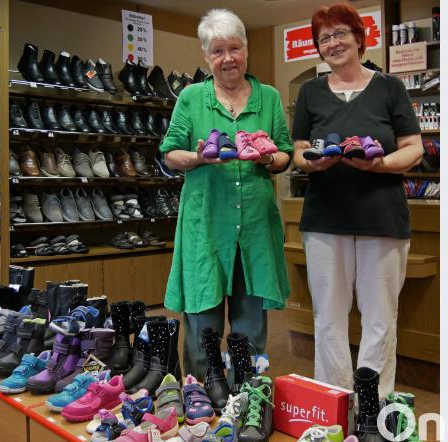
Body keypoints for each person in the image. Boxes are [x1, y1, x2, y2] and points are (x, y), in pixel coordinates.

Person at [291, 4, 424, 399]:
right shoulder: (310, 92)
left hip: (381, 217)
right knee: (328, 318)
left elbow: (413, 147)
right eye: (324, 38)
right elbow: (298, 149)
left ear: (359, 39)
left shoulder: (390, 88)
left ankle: (373, 405)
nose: (333, 43)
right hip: (325, 217)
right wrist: (313, 162)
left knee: (380, 317)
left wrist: (380, 164)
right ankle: (334, 402)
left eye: (340, 34)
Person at [160, 9, 293, 382]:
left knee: (250, 321)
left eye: (234, 48)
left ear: (246, 49)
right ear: (206, 56)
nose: (228, 58)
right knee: (203, 318)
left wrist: (269, 158)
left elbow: (285, 152)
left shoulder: (268, 97)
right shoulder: (191, 98)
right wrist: (199, 158)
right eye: (218, 51)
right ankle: (203, 393)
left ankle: (246, 392)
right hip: (205, 224)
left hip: (254, 227)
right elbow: (170, 153)